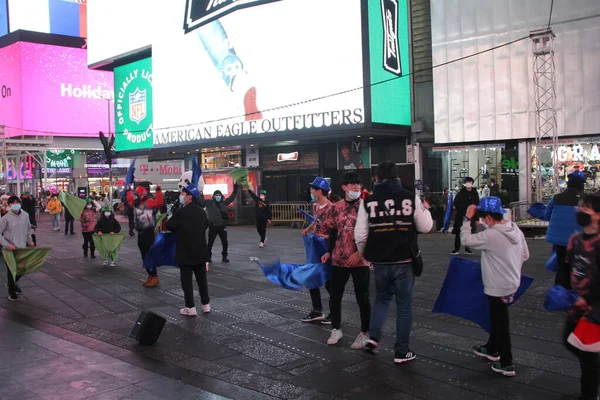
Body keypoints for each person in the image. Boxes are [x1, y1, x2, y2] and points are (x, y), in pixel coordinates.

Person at [355, 161, 433, 364]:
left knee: (381, 300)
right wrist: (426, 210)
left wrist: (366, 255)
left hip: (380, 262)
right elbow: (426, 227)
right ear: (398, 178)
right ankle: (401, 351)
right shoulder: (409, 197)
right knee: (404, 306)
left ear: (376, 179)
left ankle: (373, 338)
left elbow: (361, 235)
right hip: (404, 260)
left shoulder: (368, 201)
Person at [460, 197, 529, 377]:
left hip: (496, 285)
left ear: (489, 218)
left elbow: (466, 239)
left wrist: (467, 219)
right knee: (498, 316)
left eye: (483, 219)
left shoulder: (491, 236)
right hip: (512, 282)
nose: (483, 222)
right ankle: (491, 348)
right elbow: (525, 255)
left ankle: (506, 362)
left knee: (501, 322)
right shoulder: (515, 229)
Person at [321, 171, 371, 349]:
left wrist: (360, 253)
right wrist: (328, 251)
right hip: (339, 259)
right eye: (352, 184)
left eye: (358, 183)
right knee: (335, 296)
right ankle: (336, 328)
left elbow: (370, 233)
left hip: (360, 260)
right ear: (343, 187)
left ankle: (365, 332)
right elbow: (334, 230)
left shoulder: (366, 207)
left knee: (362, 297)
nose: (357, 187)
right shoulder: (336, 207)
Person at [564, 193, 600, 400]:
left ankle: (589, 394)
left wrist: (587, 299)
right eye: (580, 207)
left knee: (586, 354)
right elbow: (568, 267)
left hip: (593, 308)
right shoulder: (575, 239)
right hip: (575, 304)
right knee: (568, 340)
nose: (580, 211)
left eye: (586, 208)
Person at [167, 184, 211, 316]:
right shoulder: (201, 211)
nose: (182, 196)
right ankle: (206, 304)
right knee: (202, 280)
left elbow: (170, 224)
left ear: (189, 197)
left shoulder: (181, 212)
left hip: (186, 251)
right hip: (200, 251)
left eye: (184, 194)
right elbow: (206, 224)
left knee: (186, 281)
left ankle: (190, 307)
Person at [544, 171, 585, 290]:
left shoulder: (557, 197)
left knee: (561, 265)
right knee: (576, 266)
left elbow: (547, 215)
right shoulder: (585, 200)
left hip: (558, 240)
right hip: (577, 239)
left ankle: (559, 292)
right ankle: (573, 293)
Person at [301, 177, 333, 324]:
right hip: (315, 245)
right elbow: (315, 221)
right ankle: (317, 310)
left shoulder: (332, 208)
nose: (311, 191)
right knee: (312, 276)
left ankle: (334, 311)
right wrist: (309, 229)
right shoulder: (315, 206)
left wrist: (325, 236)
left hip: (327, 247)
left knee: (329, 280)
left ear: (320, 191)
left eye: (313, 189)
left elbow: (337, 231)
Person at [126, 185, 164, 287]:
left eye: (137, 194)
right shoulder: (136, 202)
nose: (135, 196)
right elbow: (129, 199)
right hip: (141, 232)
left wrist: (158, 191)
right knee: (144, 254)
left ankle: (154, 275)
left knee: (148, 254)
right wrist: (128, 190)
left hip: (148, 232)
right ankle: (150, 274)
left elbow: (159, 202)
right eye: (135, 194)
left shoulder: (149, 201)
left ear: (143, 194)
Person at [0, 196, 35, 301]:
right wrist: (6, 245)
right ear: (9, 205)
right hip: (9, 249)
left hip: (22, 248)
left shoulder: (25, 215)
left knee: (22, 269)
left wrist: (30, 241)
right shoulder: (5, 218)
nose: (16, 204)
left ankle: (12, 284)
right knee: (11, 270)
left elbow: (28, 229)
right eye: (13, 203)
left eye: (17, 202)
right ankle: (12, 292)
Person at [196, 185, 239, 264]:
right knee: (210, 242)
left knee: (224, 242)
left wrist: (235, 190)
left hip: (222, 225)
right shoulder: (209, 203)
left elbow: (231, 198)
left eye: (219, 195)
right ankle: (208, 257)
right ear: (213, 196)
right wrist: (196, 193)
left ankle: (224, 256)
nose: (218, 196)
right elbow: (199, 200)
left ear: (221, 196)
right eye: (216, 195)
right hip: (212, 226)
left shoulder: (224, 202)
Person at [451, 177, 479, 255]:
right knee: (458, 232)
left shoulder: (474, 193)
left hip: (471, 216)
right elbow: (455, 202)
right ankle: (456, 249)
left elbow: (477, 205)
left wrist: (477, 218)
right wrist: (456, 207)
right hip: (461, 215)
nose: (468, 184)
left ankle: (467, 248)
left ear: (472, 183)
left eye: (470, 182)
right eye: (467, 182)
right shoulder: (461, 192)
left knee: (469, 232)